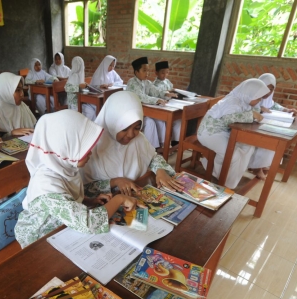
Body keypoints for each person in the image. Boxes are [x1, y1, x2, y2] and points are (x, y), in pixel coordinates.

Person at [14, 110, 140, 248]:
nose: (90, 153)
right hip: (38, 239)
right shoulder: (46, 185)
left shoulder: (62, 167)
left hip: (62, 228)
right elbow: (88, 223)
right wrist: (119, 199)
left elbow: (67, 195)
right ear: (65, 148)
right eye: (84, 149)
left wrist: (87, 200)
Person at [82, 91, 183, 198]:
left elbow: (152, 157)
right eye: (124, 128)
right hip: (107, 204)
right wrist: (115, 182)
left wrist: (160, 170)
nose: (131, 135)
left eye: (137, 128)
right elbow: (84, 189)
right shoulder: (91, 146)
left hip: (136, 195)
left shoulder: (139, 139)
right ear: (111, 121)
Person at [197, 78, 270, 188]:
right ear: (249, 94)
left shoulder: (244, 101)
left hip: (224, 132)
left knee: (248, 146)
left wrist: (254, 112)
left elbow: (246, 114)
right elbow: (228, 119)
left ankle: (228, 178)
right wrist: (251, 115)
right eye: (257, 98)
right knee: (232, 154)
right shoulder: (232, 101)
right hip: (210, 133)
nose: (259, 100)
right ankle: (221, 177)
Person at [126, 57, 177, 148]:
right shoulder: (132, 82)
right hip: (133, 113)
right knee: (150, 122)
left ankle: (163, 145)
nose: (147, 73)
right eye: (144, 70)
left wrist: (167, 94)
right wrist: (157, 100)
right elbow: (141, 96)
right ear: (136, 72)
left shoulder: (147, 82)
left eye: (148, 71)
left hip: (144, 111)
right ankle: (150, 148)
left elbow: (156, 92)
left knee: (160, 120)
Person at [0, 72, 36, 138]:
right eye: (18, 90)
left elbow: (34, 127)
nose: (22, 94)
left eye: (22, 89)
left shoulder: (22, 106)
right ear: (5, 91)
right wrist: (11, 133)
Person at [83, 55, 124, 121]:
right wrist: (100, 86)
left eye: (113, 66)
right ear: (105, 64)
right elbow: (92, 88)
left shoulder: (112, 72)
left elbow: (120, 82)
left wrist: (113, 84)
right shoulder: (98, 74)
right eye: (110, 65)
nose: (112, 68)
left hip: (109, 97)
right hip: (98, 99)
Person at [152, 60, 182, 146]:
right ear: (156, 73)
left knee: (179, 119)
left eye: (167, 73)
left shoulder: (167, 81)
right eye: (162, 73)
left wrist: (173, 91)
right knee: (165, 121)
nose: (165, 75)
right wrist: (168, 93)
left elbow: (171, 88)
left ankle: (175, 141)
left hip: (171, 104)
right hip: (162, 106)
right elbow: (158, 95)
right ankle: (163, 144)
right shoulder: (154, 85)